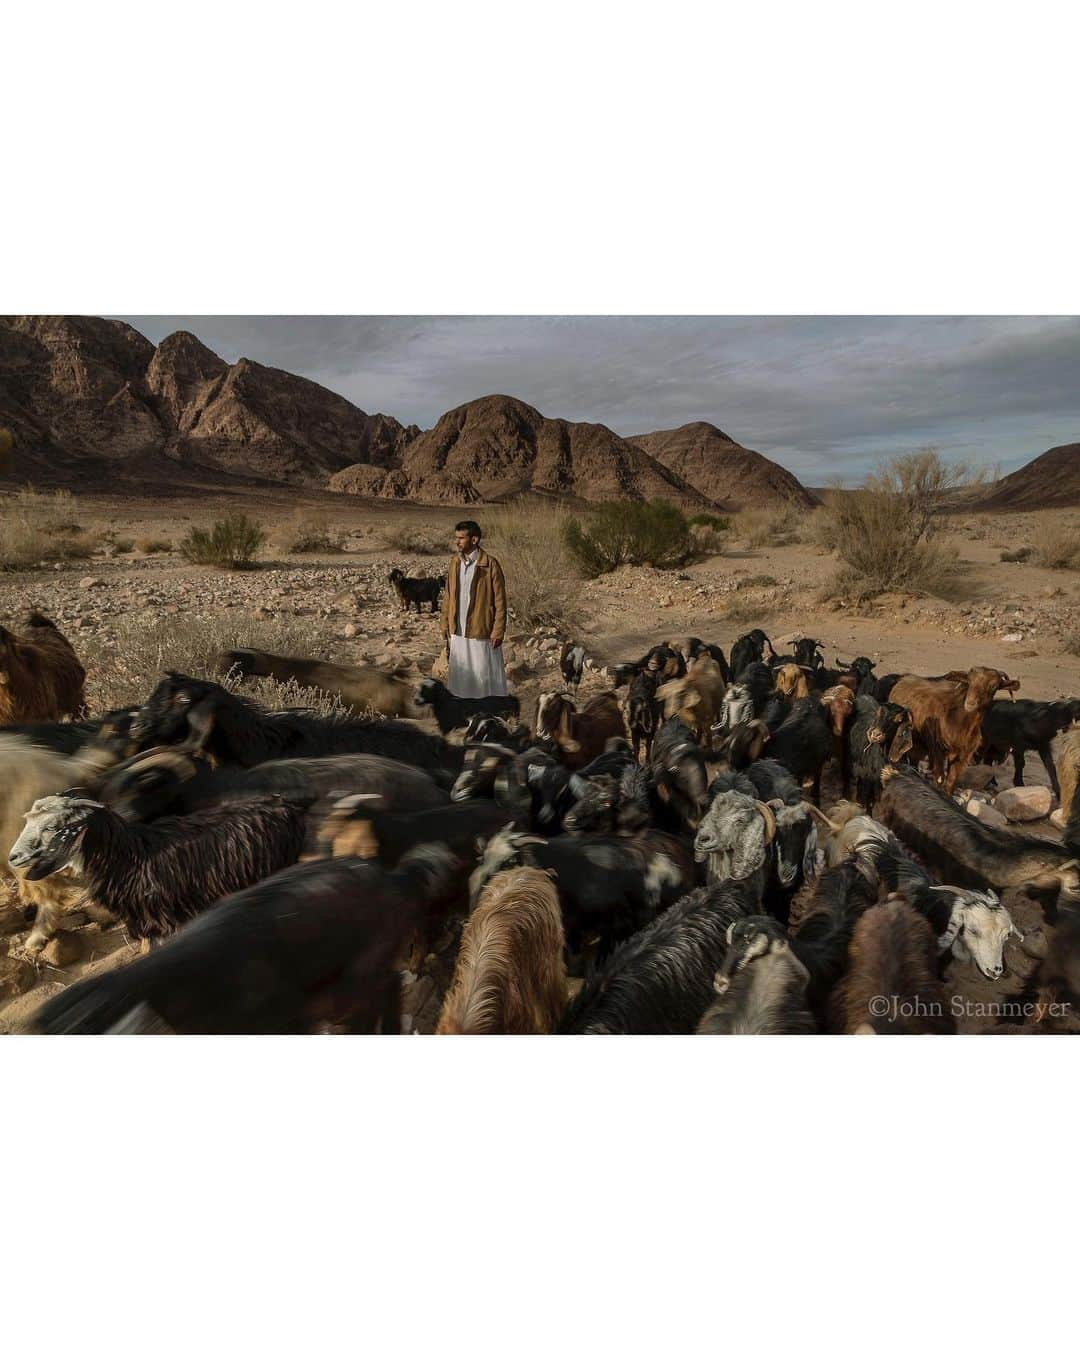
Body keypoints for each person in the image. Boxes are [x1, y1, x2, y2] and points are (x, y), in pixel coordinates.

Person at [441, 519, 509, 698]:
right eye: (456, 538)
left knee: (483, 676)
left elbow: (501, 601)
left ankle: (487, 717)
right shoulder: (455, 562)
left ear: (474, 540)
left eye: (461, 538)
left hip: (482, 631)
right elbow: (448, 595)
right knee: (460, 677)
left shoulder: (490, 565)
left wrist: (498, 630)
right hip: (458, 631)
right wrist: (444, 622)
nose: (457, 542)